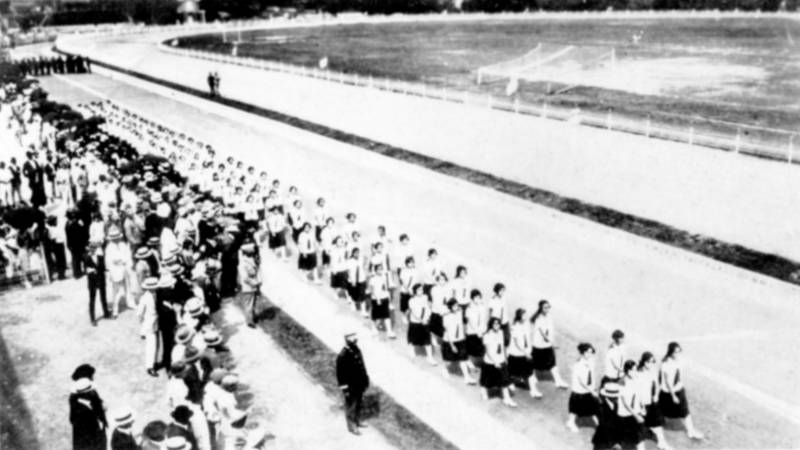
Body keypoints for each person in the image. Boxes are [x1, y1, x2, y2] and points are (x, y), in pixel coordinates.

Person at [659, 342, 703, 440]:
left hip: (679, 389)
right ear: (670, 352)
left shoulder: (679, 360)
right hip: (668, 392)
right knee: (662, 410)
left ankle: (691, 431)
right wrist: (673, 395)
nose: (677, 354)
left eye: (679, 352)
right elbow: (667, 381)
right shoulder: (666, 363)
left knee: (685, 410)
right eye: (675, 352)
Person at [529, 299, 568, 396]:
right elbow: (543, 334)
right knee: (534, 363)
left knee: (552, 363)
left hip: (547, 345)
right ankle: (532, 377)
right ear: (541, 308)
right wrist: (552, 343)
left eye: (548, 307)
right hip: (539, 345)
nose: (547, 309)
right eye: (545, 307)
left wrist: (551, 341)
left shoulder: (549, 316)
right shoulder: (539, 319)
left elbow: (550, 331)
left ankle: (558, 381)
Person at [336, 331, 370, 435]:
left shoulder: (356, 349)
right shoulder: (343, 355)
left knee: (359, 403)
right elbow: (340, 375)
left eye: (355, 336)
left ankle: (357, 420)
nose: (355, 338)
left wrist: (365, 379)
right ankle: (352, 426)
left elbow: (361, 365)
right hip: (351, 386)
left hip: (359, 383)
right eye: (352, 337)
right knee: (351, 405)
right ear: (347, 339)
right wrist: (345, 389)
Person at [637, 351, 671, 450]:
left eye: (652, 362)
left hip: (652, 402)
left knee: (657, 424)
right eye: (648, 362)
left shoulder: (653, 371)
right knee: (640, 428)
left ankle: (662, 443)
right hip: (641, 404)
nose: (650, 364)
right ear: (643, 362)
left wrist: (656, 395)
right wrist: (640, 405)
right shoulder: (638, 373)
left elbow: (657, 384)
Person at [480, 318, 517, 407]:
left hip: (500, 360)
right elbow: (488, 351)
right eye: (495, 324)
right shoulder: (487, 335)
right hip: (490, 362)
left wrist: (505, 358)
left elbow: (502, 346)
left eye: (498, 324)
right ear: (491, 325)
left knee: (504, 380)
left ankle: (507, 399)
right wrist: (494, 362)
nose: (497, 325)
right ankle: (484, 392)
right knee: (487, 380)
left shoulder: (501, 332)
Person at [441, 299, 476, 384]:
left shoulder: (459, 312)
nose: (457, 307)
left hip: (460, 339)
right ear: (450, 307)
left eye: (457, 305)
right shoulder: (446, 317)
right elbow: (447, 332)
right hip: (450, 341)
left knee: (462, 359)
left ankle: (467, 377)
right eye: (454, 306)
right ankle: (444, 369)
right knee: (448, 360)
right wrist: (452, 345)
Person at [566, 343, 599, 432]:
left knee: (594, 407)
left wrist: (593, 387)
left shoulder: (591, 361)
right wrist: (591, 391)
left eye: (591, 352)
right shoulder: (579, 365)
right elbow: (582, 381)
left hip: (588, 390)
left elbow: (591, 375)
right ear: (583, 353)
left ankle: (598, 424)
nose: (590, 354)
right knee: (575, 409)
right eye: (588, 352)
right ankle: (570, 422)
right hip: (579, 391)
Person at [69, 378, 108, 450]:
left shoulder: (92, 399)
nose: (93, 392)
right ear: (84, 394)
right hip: (89, 442)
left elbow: (99, 405)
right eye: (90, 391)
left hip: (99, 438)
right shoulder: (78, 409)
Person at [618, 360, 646, 450]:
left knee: (639, 436)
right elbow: (625, 403)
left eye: (635, 370)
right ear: (627, 370)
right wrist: (636, 416)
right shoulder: (622, 382)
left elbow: (639, 394)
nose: (635, 372)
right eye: (632, 370)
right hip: (626, 414)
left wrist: (642, 406)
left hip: (635, 411)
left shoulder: (636, 379)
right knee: (627, 440)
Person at [406, 283, 436, 365]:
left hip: (425, 321)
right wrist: (421, 319)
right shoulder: (412, 300)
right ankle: (411, 351)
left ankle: (429, 357)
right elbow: (414, 312)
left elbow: (427, 308)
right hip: (415, 322)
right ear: (415, 291)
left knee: (427, 339)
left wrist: (427, 317)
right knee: (413, 338)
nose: (421, 291)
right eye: (419, 290)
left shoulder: (425, 297)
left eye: (422, 289)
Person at [507, 308, 535, 394]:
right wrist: (525, 352)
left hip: (526, 351)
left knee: (528, 370)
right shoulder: (515, 326)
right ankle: (509, 382)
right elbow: (517, 343)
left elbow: (529, 336)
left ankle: (533, 389)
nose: (525, 316)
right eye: (524, 315)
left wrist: (529, 350)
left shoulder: (526, 324)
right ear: (519, 316)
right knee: (513, 371)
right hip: (516, 353)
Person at [137, 277, 160, 377]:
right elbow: (139, 314)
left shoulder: (157, 294)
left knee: (157, 345)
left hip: (157, 323)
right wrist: (142, 329)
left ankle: (154, 362)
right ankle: (149, 367)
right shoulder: (145, 298)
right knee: (151, 346)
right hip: (149, 325)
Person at [366, 262, 395, 339]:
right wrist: (377, 298)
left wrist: (389, 301)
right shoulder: (373, 279)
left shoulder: (384, 278)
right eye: (379, 269)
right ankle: (374, 329)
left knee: (386, 315)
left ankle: (389, 331)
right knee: (376, 316)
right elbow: (371, 290)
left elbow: (386, 289)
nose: (381, 271)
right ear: (375, 271)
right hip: (376, 299)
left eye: (381, 269)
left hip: (384, 298)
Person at [84, 242, 109, 326]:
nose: (93, 249)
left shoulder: (100, 257)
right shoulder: (86, 258)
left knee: (103, 297)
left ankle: (106, 313)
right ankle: (92, 319)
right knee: (92, 299)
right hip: (92, 281)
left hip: (101, 279)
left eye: (94, 248)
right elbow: (86, 270)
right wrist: (92, 270)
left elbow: (103, 268)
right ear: (89, 248)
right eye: (91, 248)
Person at [592, 379, 621, 450]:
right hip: (602, 439)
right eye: (615, 396)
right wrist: (614, 443)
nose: (617, 398)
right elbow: (604, 425)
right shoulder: (601, 407)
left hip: (612, 438)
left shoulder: (616, 405)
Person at [238, 243, 261, 328]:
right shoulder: (243, 263)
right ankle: (249, 321)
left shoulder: (250, 259)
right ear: (247, 253)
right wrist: (254, 283)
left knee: (253, 303)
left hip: (254, 285)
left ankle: (253, 317)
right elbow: (245, 278)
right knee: (249, 305)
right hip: (248, 286)